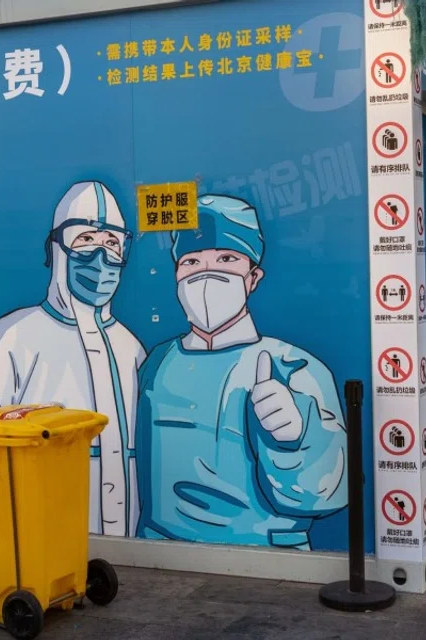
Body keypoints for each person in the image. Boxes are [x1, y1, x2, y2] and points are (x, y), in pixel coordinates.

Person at [0, 181, 147, 538]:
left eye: (112, 243)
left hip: (125, 534)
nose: (100, 257)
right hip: (39, 517)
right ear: (56, 249)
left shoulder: (130, 347)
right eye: (84, 240)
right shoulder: (15, 335)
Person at [136, 194, 347, 548]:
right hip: (159, 551)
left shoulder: (293, 367)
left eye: (227, 259)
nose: (206, 273)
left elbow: (329, 490)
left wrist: (297, 437)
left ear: (253, 278)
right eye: (191, 262)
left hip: (270, 558)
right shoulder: (156, 363)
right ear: (176, 275)